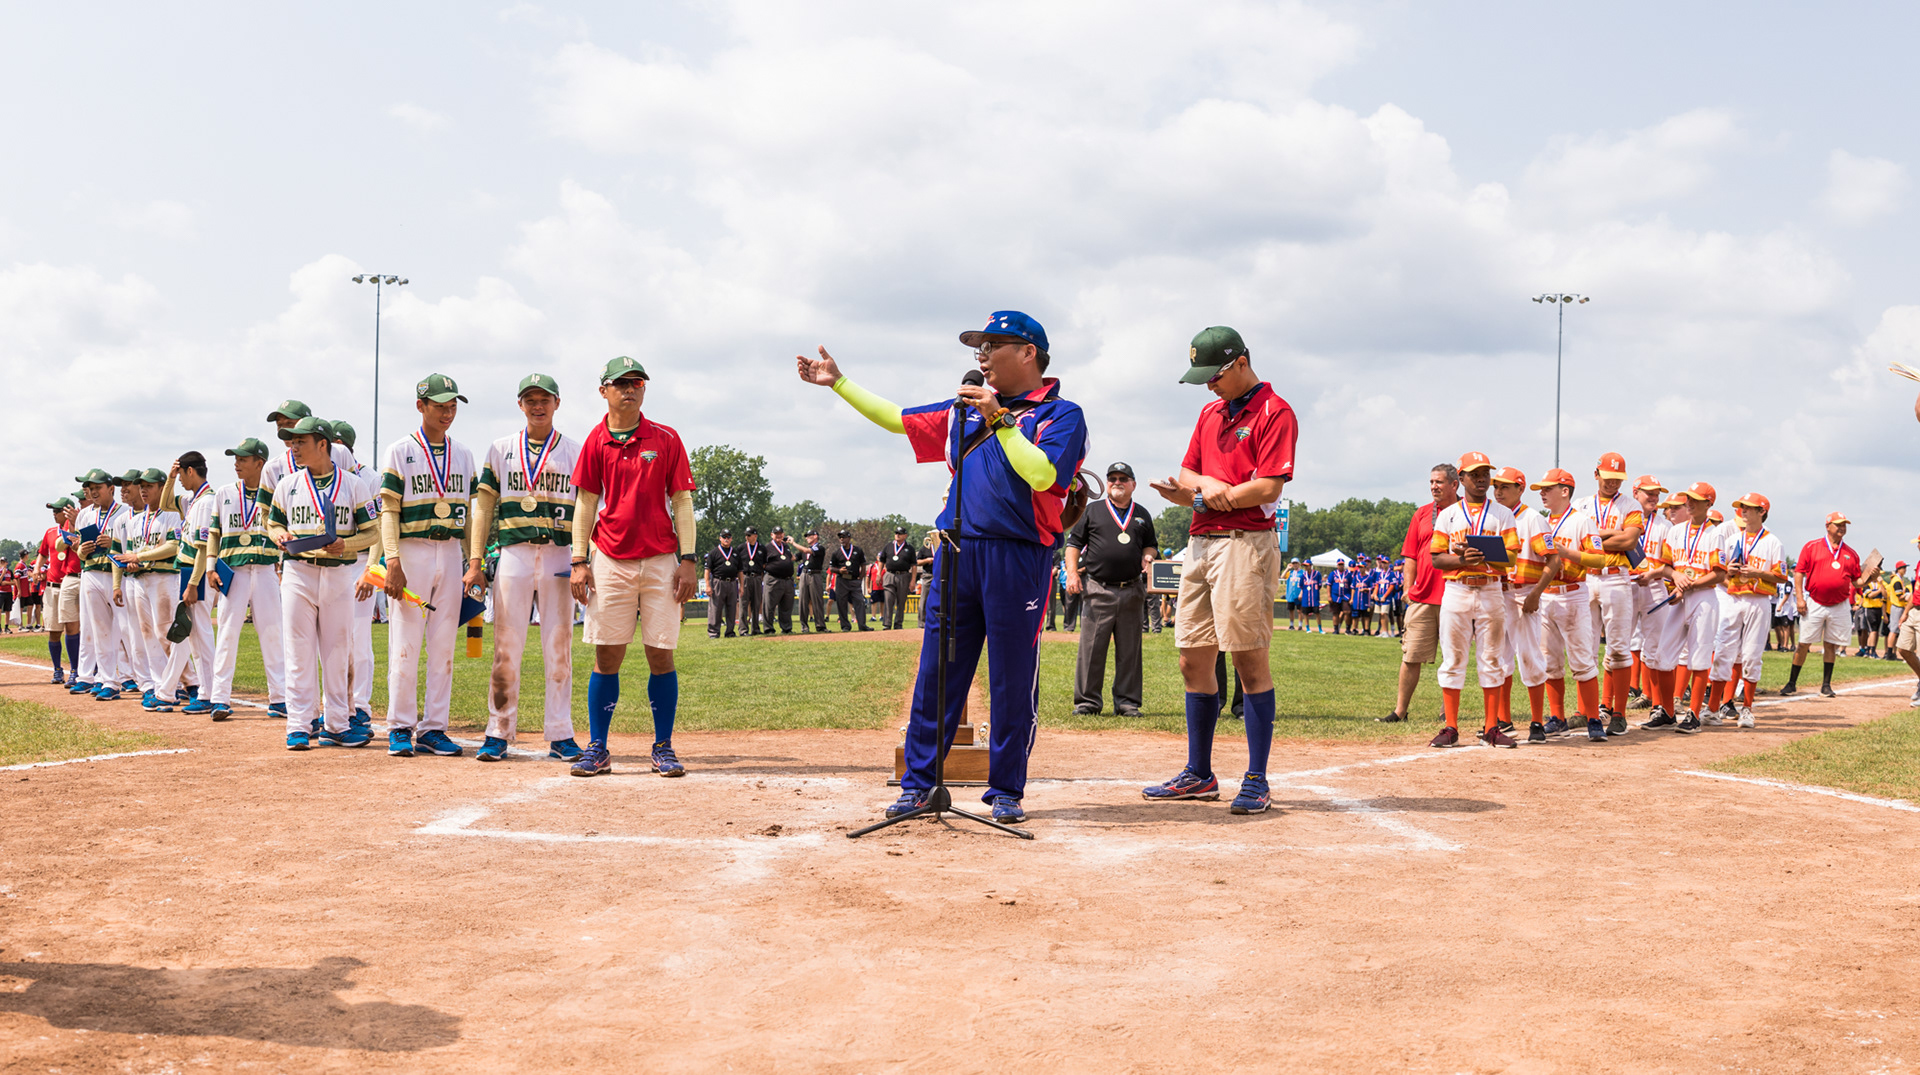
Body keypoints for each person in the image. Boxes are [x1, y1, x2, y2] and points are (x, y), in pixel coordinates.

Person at [799, 308, 1087, 823]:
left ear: (1028, 353)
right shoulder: (962, 410)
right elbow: (896, 418)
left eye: (993, 344)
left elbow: (1043, 475)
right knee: (937, 673)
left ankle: (1006, 791)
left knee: (1012, 678)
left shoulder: (1061, 415)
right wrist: (838, 383)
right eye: (977, 345)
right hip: (957, 554)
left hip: (1019, 555)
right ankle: (918, 784)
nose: (981, 354)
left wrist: (999, 417)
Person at [1141, 325, 1293, 814]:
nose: (1208, 385)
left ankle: (1257, 777)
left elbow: (1268, 487)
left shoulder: (1275, 411)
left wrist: (1206, 494)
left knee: (1248, 658)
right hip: (1201, 541)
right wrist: (1208, 490)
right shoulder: (1210, 412)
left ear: (1240, 363)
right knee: (1192, 657)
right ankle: (1200, 774)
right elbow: (1188, 474)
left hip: (1246, 544)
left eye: (1214, 375)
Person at [568, 355, 700, 778]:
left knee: (661, 654)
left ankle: (663, 746)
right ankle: (598, 748)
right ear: (603, 390)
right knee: (607, 654)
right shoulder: (595, 441)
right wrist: (578, 561)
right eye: (620, 383)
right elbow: (586, 502)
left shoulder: (665, 438)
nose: (630, 389)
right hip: (609, 558)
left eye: (637, 382)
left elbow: (681, 500)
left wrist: (689, 559)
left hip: (661, 559)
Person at [466, 373, 582, 763]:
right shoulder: (500, 449)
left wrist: (585, 559)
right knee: (506, 646)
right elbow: (483, 506)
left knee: (559, 647)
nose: (537, 406)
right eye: (530, 399)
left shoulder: (574, 451)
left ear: (557, 403)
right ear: (520, 404)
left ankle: (561, 734)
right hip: (513, 552)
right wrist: (475, 560)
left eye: (544, 399)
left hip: (558, 554)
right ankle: (498, 731)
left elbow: (586, 508)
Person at [378, 373, 479, 759]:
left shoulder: (464, 454)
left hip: (450, 551)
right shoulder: (399, 451)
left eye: (453, 405)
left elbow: (470, 515)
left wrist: (474, 561)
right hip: (412, 549)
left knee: (443, 647)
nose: (448, 412)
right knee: (405, 643)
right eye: (440, 405)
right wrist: (392, 560)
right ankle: (400, 726)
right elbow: (389, 511)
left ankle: (435, 727)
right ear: (420, 406)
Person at [268, 417, 381, 749]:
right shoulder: (287, 484)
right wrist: (280, 535)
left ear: (323, 445)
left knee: (337, 651)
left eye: (301, 441)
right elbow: (271, 523)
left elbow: (372, 532)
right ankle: (299, 725)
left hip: (337, 572)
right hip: (298, 572)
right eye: (292, 441)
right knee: (298, 650)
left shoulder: (354, 485)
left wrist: (347, 544)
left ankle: (336, 724)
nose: (294, 447)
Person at [1423, 453, 1518, 748]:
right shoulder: (1449, 515)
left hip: (1491, 589)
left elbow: (1512, 557)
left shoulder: (1502, 513)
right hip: (1457, 589)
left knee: (1492, 658)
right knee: (1453, 659)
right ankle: (1450, 726)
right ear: (1461, 478)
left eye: (1485, 474)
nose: (1481, 479)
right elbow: (1437, 559)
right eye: (1474, 474)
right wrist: (1462, 558)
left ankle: (1492, 727)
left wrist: (1486, 555)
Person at [1066, 461, 1158, 717]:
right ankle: (1087, 702)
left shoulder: (1141, 514)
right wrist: (1072, 574)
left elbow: (1151, 545)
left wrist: (1148, 557)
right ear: (1107, 484)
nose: (1117, 483)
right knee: (1092, 649)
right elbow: (1073, 544)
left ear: (1133, 485)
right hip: (1098, 588)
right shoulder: (1093, 510)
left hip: (1131, 589)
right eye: (1112, 479)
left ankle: (1128, 702)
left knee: (1130, 651)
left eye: (1122, 479)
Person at [205, 438, 288, 720]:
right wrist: (209, 566)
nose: (236, 463)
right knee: (227, 634)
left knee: (273, 633)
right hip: (234, 570)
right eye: (235, 458)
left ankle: (280, 698)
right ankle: (219, 699)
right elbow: (213, 532)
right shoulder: (225, 493)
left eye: (242, 458)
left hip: (265, 570)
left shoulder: (277, 493)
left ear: (259, 463)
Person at [1527, 469, 1608, 740]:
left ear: (1565, 491)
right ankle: (1557, 717)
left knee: (1583, 659)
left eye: (1548, 488)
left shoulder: (1582, 521)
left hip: (1573, 592)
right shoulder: (1539, 521)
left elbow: (1599, 560)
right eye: (1541, 489)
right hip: (1545, 593)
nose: (1542, 493)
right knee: (1549, 660)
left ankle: (1594, 718)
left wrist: (1566, 553)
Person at [1643, 483, 1725, 733]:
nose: (1690, 503)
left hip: (1703, 598)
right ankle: (1667, 712)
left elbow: (1719, 575)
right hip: (1679, 596)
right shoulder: (1676, 531)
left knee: (1699, 658)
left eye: (1696, 500)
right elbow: (1666, 566)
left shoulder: (1715, 534)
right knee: (1662, 656)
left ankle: (1694, 714)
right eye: (1688, 498)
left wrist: (1690, 584)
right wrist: (1676, 579)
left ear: (1709, 504)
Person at [1381, 463, 1458, 723]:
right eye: (1431, 482)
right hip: (1423, 596)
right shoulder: (1422, 513)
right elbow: (1410, 555)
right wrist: (1407, 588)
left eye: (1439, 482)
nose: (1434, 487)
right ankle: (1400, 711)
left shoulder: (1466, 513)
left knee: (1454, 657)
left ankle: (1448, 711)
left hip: (1455, 594)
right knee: (1411, 655)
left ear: (1454, 485)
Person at [1577, 452, 1645, 735]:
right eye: (1607, 478)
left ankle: (1618, 713)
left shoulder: (1631, 504)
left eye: (1617, 479)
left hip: (1617, 579)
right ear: (1596, 475)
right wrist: (1610, 535)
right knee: (1585, 647)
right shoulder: (1581, 504)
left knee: (1618, 647)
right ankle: (1587, 712)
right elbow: (1577, 541)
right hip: (1587, 577)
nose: (1612, 483)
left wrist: (1596, 536)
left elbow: (1629, 539)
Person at [1707, 493, 1785, 729]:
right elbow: (1722, 573)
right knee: (1722, 651)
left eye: (1749, 508)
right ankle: (1712, 709)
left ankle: (1747, 708)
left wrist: (1758, 573)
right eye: (1742, 507)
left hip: (1758, 600)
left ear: (1762, 512)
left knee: (1751, 655)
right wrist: (1729, 571)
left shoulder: (1773, 542)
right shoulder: (1733, 540)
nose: (1743, 511)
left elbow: (1781, 576)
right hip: (1733, 598)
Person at [149, 453, 217, 716]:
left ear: (191, 471)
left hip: (196, 575)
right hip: (189, 573)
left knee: (200, 637)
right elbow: (166, 503)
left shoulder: (206, 502)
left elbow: (203, 549)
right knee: (185, 634)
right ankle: (167, 692)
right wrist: (171, 478)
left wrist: (193, 583)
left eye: (181, 473)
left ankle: (209, 693)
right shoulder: (192, 499)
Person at [1491, 468, 1550, 739]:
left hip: (1523, 591)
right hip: (1498, 591)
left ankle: (1537, 721)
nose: (1499, 491)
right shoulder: (1493, 518)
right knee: (1498, 658)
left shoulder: (1532, 519)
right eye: (1496, 486)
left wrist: (1536, 593)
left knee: (1529, 656)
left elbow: (1553, 560)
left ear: (1520, 489)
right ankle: (1502, 720)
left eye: (1505, 486)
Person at [329, 418, 379, 730]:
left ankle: (359, 704)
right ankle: (335, 704)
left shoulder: (370, 478)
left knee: (359, 640)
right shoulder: (325, 480)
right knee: (333, 640)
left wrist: (372, 571)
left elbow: (378, 528)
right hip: (333, 565)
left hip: (361, 562)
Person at [1782, 512, 1864, 698]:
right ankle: (1792, 682)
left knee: (1831, 644)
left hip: (1840, 603)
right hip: (1815, 601)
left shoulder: (1851, 553)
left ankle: (1826, 685)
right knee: (1803, 643)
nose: (1842, 528)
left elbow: (1857, 582)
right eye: (1838, 524)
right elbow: (1799, 573)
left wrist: (1871, 578)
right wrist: (1800, 599)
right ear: (1828, 526)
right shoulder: (1812, 547)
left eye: (1844, 525)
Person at [70, 469, 130, 699]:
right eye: (91, 489)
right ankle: (108, 681)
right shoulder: (85, 515)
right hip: (92, 572)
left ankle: (133, 676)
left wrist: (113, 542)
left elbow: (133, 545)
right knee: (99, 629)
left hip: (118, 576)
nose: (93, 492)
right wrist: (81, 550)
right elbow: (79, 550)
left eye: (98, 488)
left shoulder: (124, 512)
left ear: (110, 489)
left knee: (126, 629)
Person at [37, 497, 81, 684]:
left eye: (57, 511)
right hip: (53, 586)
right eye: (53, 511)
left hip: (71, 583)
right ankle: (57, 670)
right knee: (54, 630)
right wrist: (36, 568)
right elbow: (42, 554)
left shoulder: (79, 529)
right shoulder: (50, 532)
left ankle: (75, 669)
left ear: (67, 511)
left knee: (73, 628)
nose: (54, 514)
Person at [761, 525, 801, 634]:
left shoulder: (786, 546)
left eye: (780, 533)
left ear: (783, 534)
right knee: (769, 605)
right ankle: (769, 629)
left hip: (787, 580)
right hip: (773, 579)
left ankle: (787, 628)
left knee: (787, 606)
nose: (779, 535)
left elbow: (791, 558)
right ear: (772, 535)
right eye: (776, 534)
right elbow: (763, 564)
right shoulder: (767, 548)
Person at [828, 528, 870, 632]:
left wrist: (861, 577)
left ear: (849, 538)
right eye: (840, 537)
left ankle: (862, 625)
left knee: (859, 602)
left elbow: (863, 565)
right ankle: (845, 626)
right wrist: (839, 571)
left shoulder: (857, 550)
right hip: (842, 580)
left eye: (844, 537)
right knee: (841, 603)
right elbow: (831, 568)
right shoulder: (836, 553)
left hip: (855, 580)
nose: (842, 539)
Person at [704, 529, 742, 639]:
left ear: (731, 538)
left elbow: (740, 571)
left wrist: (741, 585)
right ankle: (713, 633)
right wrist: (707, 585)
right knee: (715, 608)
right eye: (724, 537)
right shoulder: (713, 553)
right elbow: (707, 570)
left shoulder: (735, 553)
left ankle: (730, 632)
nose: (726, 539)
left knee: (732, 608)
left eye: (728, 537)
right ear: (720, 538)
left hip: (732, 583)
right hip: (718, 582)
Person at [880, 525, 917, 630]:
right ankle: (887, 624)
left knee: (901, 601)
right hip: (889, 574)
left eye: (900, 534)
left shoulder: (909, 548)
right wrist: (879, 574)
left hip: (904, 575)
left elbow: (914, 565)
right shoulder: (888, 546)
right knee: (888, 599)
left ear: (905, 535)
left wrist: (913, 580)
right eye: (896, 533)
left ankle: (898, 624)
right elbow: (881, 560)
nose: (897, 535)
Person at [738, 525, 768, 635]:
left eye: (749, 535)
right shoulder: (741, 548)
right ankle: (743, 629)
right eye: (746, 535)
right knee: (743, 604)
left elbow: (764, 564)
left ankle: (755, 628)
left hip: (757, 577)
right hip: (745, 577)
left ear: (755, 536)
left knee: (756, 604)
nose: (746, 537)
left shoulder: (762, 549)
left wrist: (761, 578)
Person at [799, 528, 829, 632]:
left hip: (815, 575)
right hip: (804, 574)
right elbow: (794, 557)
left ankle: (820, 626)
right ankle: (804, 626)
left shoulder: (819, 548)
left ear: (815, 536)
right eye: (806, 536)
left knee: (817, 601)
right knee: (803, 601)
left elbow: (808, 551)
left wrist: (793, 543)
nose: (807, 538)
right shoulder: (805, 550)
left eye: (809, 535)